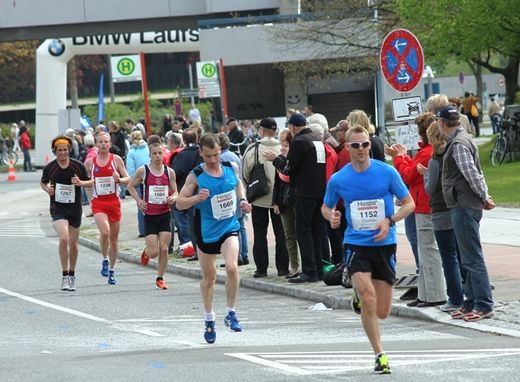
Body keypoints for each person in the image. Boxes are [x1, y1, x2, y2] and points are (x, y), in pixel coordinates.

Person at [321, 126, 415, 374]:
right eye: (356, 145)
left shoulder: (387, 172)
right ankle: (379, 354)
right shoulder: (339, 179)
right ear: (348, 148)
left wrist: (390, 220)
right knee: (368, 298)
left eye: (365, 145)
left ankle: (360, 299)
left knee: (382, 311)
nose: (362, 149)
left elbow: (409, 204)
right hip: (356, 244)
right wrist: (332, 215)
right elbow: (325, 206)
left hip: (385, 245)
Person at [176, 133, 252, 344]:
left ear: (221, 150)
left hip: (229, 226)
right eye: (208, 155)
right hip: (207, 231)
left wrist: (243, 200)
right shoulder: (196, 176)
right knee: (209, 279)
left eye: (216, 154)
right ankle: (209, 318)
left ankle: (231, 312)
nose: (212, 160)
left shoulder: (230, 167)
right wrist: (195, 198)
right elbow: (180, 203)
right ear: (201, 153)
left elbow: (238, 185)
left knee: (232, 268)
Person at [437, 105, 496, 322]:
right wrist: (484, 196)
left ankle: (484, 304)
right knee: (467, 256)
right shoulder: (462, 138)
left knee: (471, 257)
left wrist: (484, 196)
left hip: (464, 204)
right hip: (463, 203)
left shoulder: (458, 144)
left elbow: (471, 173)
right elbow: (476, 173)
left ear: (442, 123)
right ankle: (470, 301)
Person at [386, 113, 446, 307]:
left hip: (424, 207)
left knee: (428, 251)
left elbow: (407, 175)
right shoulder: (427, 151)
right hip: (421, 205)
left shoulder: (427, 152)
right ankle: (425, 293)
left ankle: (435, 294)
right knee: (424, 251)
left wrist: (399, 158)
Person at [264, 112, 328, 284]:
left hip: (304, 192)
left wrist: (275, 159)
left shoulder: (299, 142)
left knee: (303, 231)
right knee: (316, 230)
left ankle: (308, 271)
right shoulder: (318, 140)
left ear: (292, 127)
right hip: (320, 191)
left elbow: (287, 168)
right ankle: (319, 270)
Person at [417, 121, 464, 312]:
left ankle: (455, 298)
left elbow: (430, 188)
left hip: (440, 210)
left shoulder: (435, 159)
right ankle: (467, 294)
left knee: (449, 258)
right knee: (462, 255)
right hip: (457, 207)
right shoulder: (454, 151)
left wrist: (426, 175)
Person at [40, 135, 90, 291]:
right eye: (59, 150)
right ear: (55, 151)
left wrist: (80, 183)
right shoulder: (50, 167)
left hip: (74, 209)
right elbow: (43, 182)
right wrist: (47, 189)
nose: (62, 153)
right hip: (58, 208)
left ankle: (72, 275)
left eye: (65, 150)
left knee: (73, 244)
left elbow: (90, 182)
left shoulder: (78, 166)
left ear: (69, 150)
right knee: (63, 238)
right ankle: (64, 275)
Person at [128, 142, 178, 289]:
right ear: (149, 155)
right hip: (150, 215)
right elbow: (130, 186)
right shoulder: (143, 171)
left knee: (164, 248)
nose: (157, 156)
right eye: (154, 153)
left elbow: (176, 192)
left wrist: (173, 197)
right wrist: (138, 200)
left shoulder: (169, 172)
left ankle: (160, 278)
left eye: (159, 153)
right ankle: (147, 251)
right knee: (154, 252)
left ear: (163, 154)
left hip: (165, 214)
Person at [242, 118, 288, 277]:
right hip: (280, 199)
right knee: (281, 233)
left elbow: (245, 174)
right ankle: (283, 268)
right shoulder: (283, 148)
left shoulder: (253, 149)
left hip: (259, 197)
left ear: (261, 130)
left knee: (260, 233)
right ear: (275, 131)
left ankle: (261, 269)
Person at [85, 132, 130, 285]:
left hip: (114, 203)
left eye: (106, 142)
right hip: (99, 203)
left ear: (110, 144)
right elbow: (85, 183)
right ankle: (104, 259)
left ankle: (111, 270)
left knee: (114, 240)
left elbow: (128, 178)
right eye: (100, 142)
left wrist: (120, 179)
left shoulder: (116, 160)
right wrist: (91, 197)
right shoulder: (90, 163)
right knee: (105, 232)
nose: (103, 144)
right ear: (96, 144)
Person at [272, 129, 300, 278]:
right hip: (283, 200)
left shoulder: (293, 158)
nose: (283, 146)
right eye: (281, 142)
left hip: (296, 199)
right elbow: (277, 183)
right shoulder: (279, 159)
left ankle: (304, 265)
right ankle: (294, 266)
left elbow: (288, 177)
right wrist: (275, 202)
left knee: (301, 232)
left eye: (285, 143)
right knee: (289, 234)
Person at [126, 130, 150, 238]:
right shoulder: (148, 148)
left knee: (141, 204)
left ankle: (143, 230)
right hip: (150, 177)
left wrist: (133, 181)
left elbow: (130, 169)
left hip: (139, 179)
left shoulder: (131, 152)